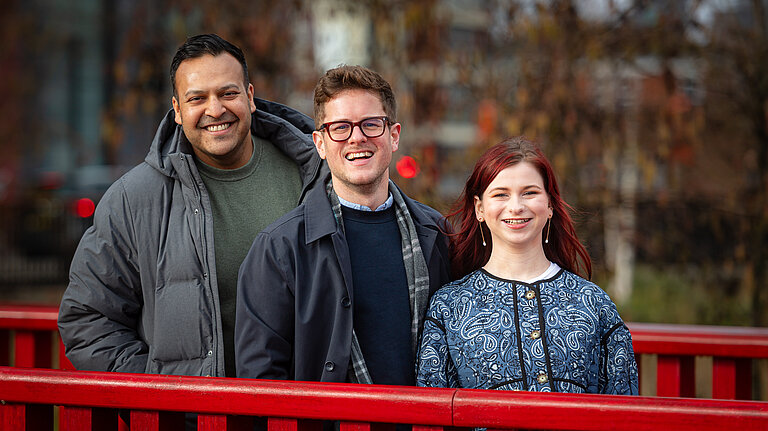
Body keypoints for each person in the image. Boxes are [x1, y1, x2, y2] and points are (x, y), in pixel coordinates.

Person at [58, 34, 326, 379]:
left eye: (228, 93)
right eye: (197, 98)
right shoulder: (133, 199)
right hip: (192, 418)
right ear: (178, 111)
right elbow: (88, 317)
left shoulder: (316, 175)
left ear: (250, 97)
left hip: (301, 413)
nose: (215, 110)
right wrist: (157, 394)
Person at [236, 65, 451, 385]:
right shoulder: (280, 249)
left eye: (370, 124)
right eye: (340, 127)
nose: (357, 137)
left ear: (393, 136)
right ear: (320, 143)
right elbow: (261, 379)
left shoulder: (436, 235)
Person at [416, 137, 638, 395]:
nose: (516, 207)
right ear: (479, 208)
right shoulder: (449, 306)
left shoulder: (593, 302)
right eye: (501, 194)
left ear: (550, 205)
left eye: (530, 193)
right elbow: (432, 412)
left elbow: (624, 405)